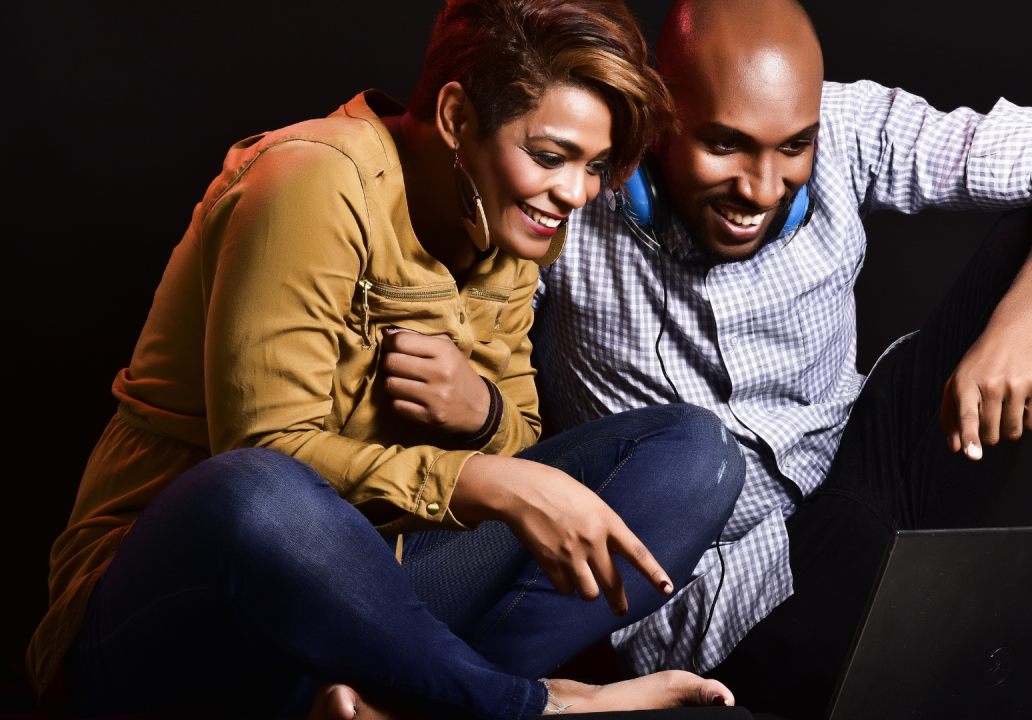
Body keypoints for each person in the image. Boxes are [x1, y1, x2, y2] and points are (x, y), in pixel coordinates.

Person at [529, 0, 1032, 718]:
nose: (761, 188)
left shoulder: (849, 126)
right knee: (1017, 671)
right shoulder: (573, 191)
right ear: (660, 115)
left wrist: (1025, 317)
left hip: (867, 478)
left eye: (793, 147)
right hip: (732, 601)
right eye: (724, 144)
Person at [27, 1, 747, 717]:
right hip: (179, 619)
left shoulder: (514, 218)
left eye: (594, 166)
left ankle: (398, 705)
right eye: (551, 156)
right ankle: (528, 706)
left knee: (694, 454)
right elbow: (266, 454)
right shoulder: (312, 179)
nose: (575, 193)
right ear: (459, 118)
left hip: (379, 613)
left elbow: (520, 434)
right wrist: (486, 479)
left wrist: (483, 415)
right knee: (257, 489)